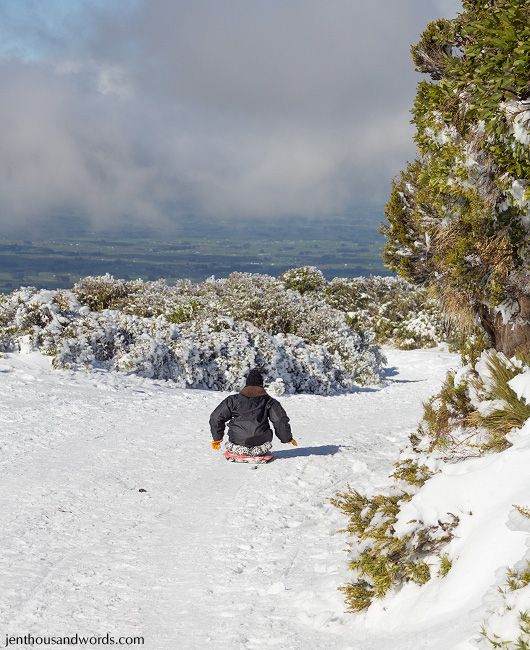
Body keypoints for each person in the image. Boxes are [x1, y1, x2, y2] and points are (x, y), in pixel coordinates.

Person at [209, 368, 298, 457]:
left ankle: (238, 450)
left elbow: (216, 417)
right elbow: (280, 420)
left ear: (247, 384)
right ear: (261, 385)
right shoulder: (269, 401)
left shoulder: (233, 400)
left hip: (237, 440)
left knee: (236, 438)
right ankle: (258, 450)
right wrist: (287, 438)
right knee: (262, 439)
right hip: (261, 441)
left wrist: (217, 438)